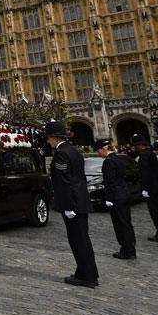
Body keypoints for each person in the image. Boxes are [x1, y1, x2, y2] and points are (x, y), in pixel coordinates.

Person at [47, 121, 98, 288]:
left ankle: (85, 276)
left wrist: (68, 205)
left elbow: (65, 182)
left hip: (73, 204)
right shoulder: (74, 151)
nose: (48, 141)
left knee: (77, 240)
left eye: (49, 138)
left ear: (54, 138)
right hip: (81, 200)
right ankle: (89, 272)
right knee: (84, 239)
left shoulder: (61, 153)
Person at [96, 139, 135, 260]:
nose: (99, 154)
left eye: (98, 151)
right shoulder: (118, 158)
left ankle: (127, 250)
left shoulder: (108, 162)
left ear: (103, 149)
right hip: (123, 193)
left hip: (116, 196)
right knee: (126, 222)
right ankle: (130, 248)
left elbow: (110, 182)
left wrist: (109, 198)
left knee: (120, 224)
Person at [138, 136, 158, 243]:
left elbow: (145, 173)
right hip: (156, 187)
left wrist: (145, 188)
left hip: (151, 188)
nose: (135, 148)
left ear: (142, 146)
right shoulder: (151, 153)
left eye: (136, 146)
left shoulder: (144, 155)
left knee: (156, 212)